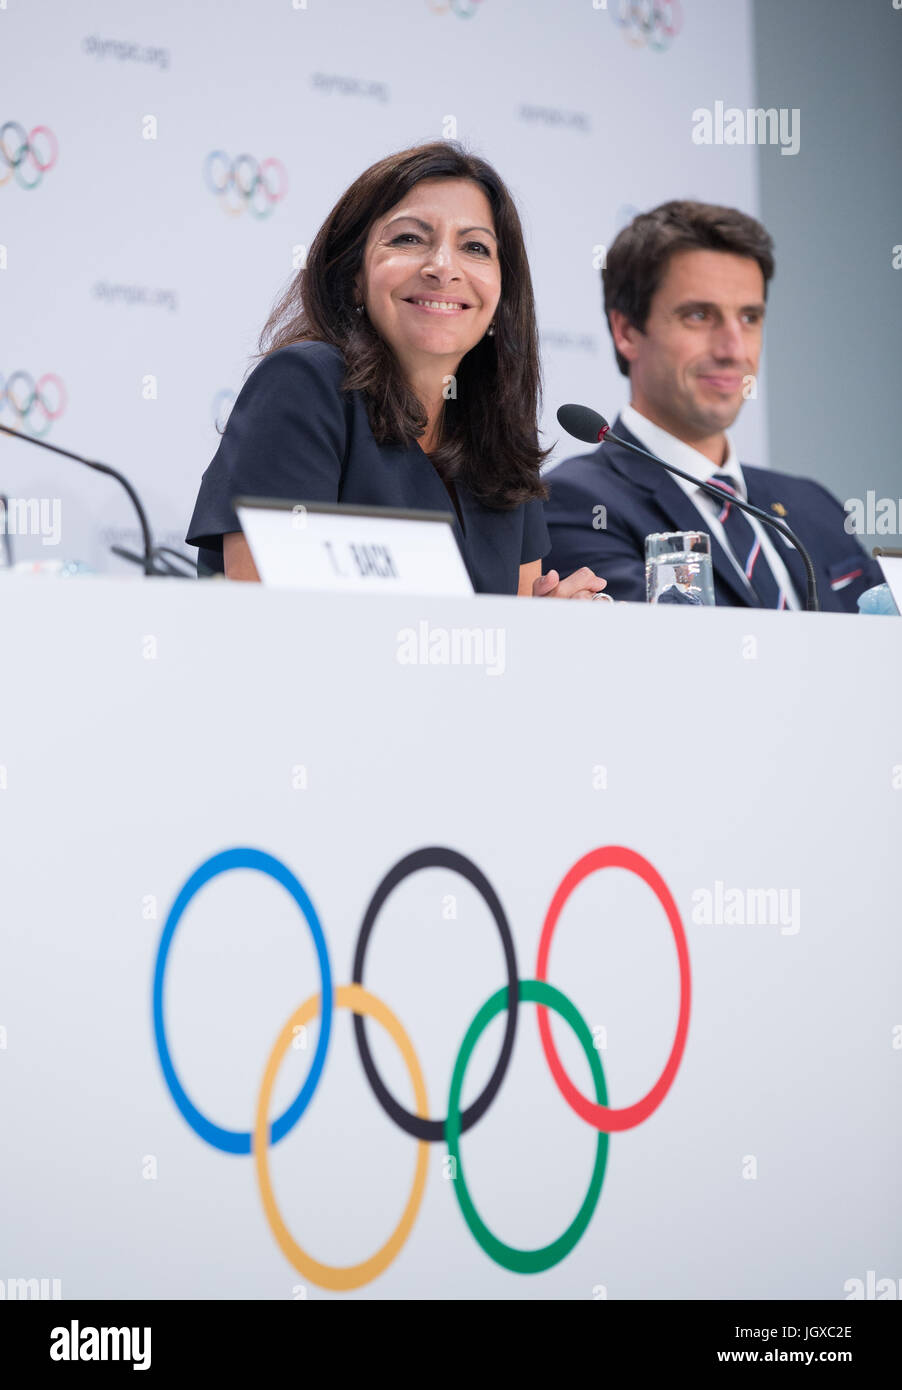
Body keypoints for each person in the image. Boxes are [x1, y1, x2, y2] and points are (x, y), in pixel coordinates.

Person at [186, 141, 606, 600]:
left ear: (502, 294)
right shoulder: (304, 385)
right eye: (408, 238)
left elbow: (512, 637)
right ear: (353, 276)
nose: (443, 267)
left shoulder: (502, 435)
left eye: (475, 247)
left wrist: (555, 628)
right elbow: (269, 626)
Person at [543, 201, 882, 610]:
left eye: (749, 317)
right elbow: (677, 664)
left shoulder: (814, 504)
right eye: (700, 315)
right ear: (627, 331)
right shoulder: (576, 502)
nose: (733, 349)